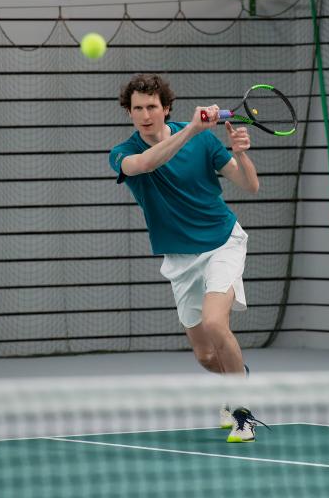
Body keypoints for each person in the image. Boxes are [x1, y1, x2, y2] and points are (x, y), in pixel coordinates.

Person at [110, 74, 263, 442]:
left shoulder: (204, 141)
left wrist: (240, 153)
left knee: (215, 322)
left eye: (151, 107)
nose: (145, 115)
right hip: (181, 258)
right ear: (130, 113)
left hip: (222, 242)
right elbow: (146, 164)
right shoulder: (122, 153)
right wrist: (192, 131)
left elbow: (249, 185)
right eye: (137, 109)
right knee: (206, 357)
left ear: (165, 108)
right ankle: (237, 379)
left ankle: (243, 413)